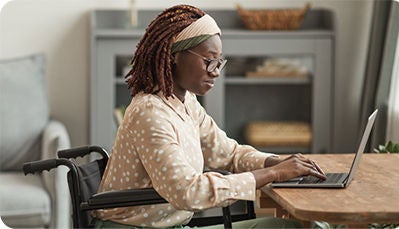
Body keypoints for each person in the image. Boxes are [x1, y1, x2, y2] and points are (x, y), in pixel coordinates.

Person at [93, 4, 327, 228]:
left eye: (219, 62)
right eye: (208, 61)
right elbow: (187, 192)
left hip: (168, 226)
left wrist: (275, 162)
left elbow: (229, 154)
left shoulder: (185, 103)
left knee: (289, 226)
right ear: (174, 55)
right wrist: (272, 174)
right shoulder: (150, 113)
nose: (215, 71)